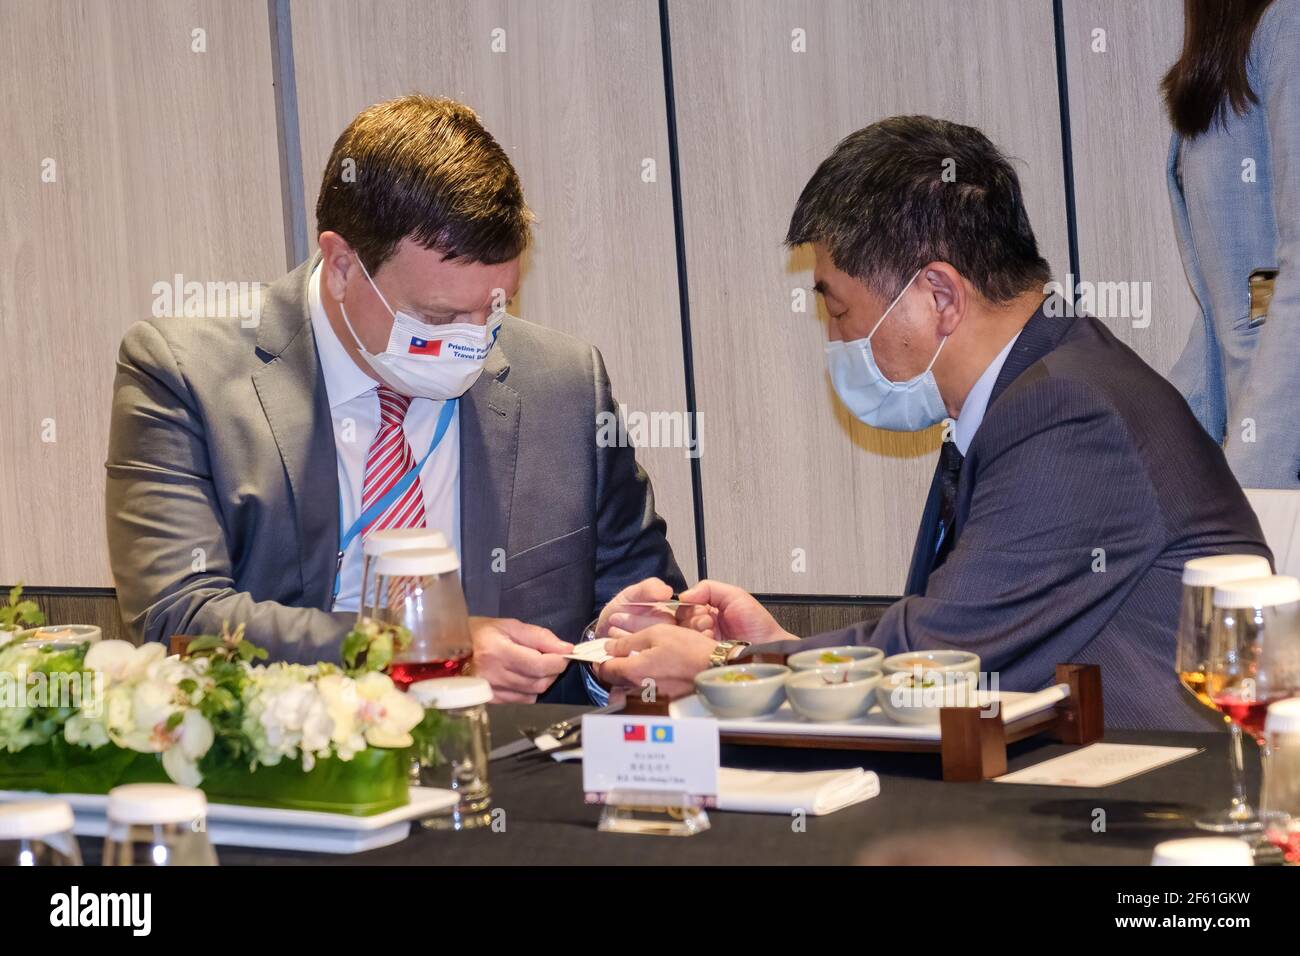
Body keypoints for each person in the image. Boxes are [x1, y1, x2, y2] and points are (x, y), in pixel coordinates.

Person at [593, 116, 1271, 730]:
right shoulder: (1039, 385)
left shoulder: (1069, 410)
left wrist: (731, 664)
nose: (835, 337)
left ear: (940, 296)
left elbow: (941, 654)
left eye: (838, 309)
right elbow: (948, 645)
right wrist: (775, 650)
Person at [106, 94, 683, 704]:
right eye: (437, 317)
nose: (470, 342)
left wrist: (614, 656)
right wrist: (425, 650)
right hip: (294, 784)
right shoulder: (183, 375)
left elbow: (643, 603)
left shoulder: (565, 385)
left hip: (514, 778)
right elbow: (178, 619)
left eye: (494, 309)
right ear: (341, 265)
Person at [1164, 0, 1300, 487]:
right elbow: (1222, 305)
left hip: (1279, 457)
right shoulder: (1227, 52)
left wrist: (1254, 479)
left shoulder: (1288, 23)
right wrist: (1159, 455)